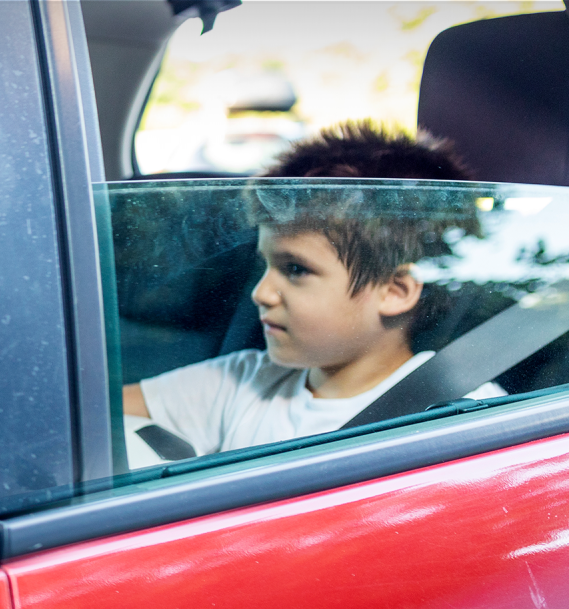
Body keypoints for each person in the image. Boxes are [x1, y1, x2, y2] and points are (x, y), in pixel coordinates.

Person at [122, 121, 504, 460]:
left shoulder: (465, 414)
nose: (261, 293)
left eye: (295, 269)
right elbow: (93, 419)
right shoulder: (246, 380)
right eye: (265, 266)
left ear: (394, 291)